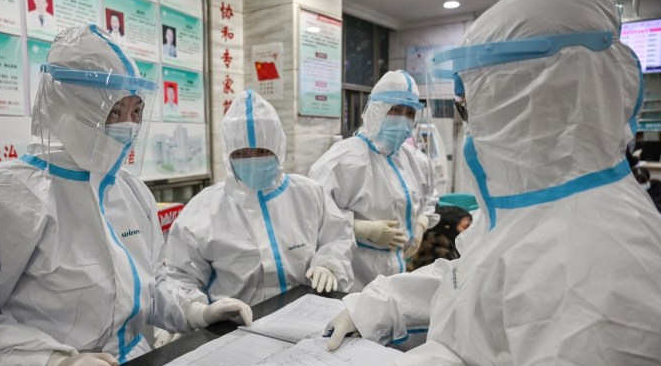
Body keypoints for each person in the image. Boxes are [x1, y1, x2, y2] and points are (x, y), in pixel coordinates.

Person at [325, 0, 661, 366]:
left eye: (476, 107)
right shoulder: (546, 208)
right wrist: (379, 304)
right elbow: (476, 284)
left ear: (528, 103)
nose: (473, 129)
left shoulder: (607, 267)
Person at [0, 25, 252, 366]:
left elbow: (152, 283)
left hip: (134, 364)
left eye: (136, 112)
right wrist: (49, 363)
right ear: (68, 106)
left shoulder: (130, 191)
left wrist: (195, 310)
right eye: (114, 110)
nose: (128, 127)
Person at [165, 89, 355, 305]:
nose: (253, 160)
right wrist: (198, 311)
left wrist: (329, 263)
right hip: (235, 327)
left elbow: (338, 237)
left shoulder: (309, 193)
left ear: (278, 148)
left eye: (262, 152)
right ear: (228, 155)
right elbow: (180, 276)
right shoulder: (205, 208)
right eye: (242, 154)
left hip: (306, 314)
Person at [309, 70, 439, 291]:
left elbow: (428, 197)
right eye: (396, 110)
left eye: (409, 113)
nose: (404, 119)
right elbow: (315, 213)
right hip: (355, 274)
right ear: (378, 110)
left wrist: (420, 225)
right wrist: (362, 229)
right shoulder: (342, 160)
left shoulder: (415, 160)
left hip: (397, 271)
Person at [406, 205, 471, 272]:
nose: (469, 231)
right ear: (449, 226)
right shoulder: (434, 247)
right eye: (465, 227)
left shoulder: (439, 242)